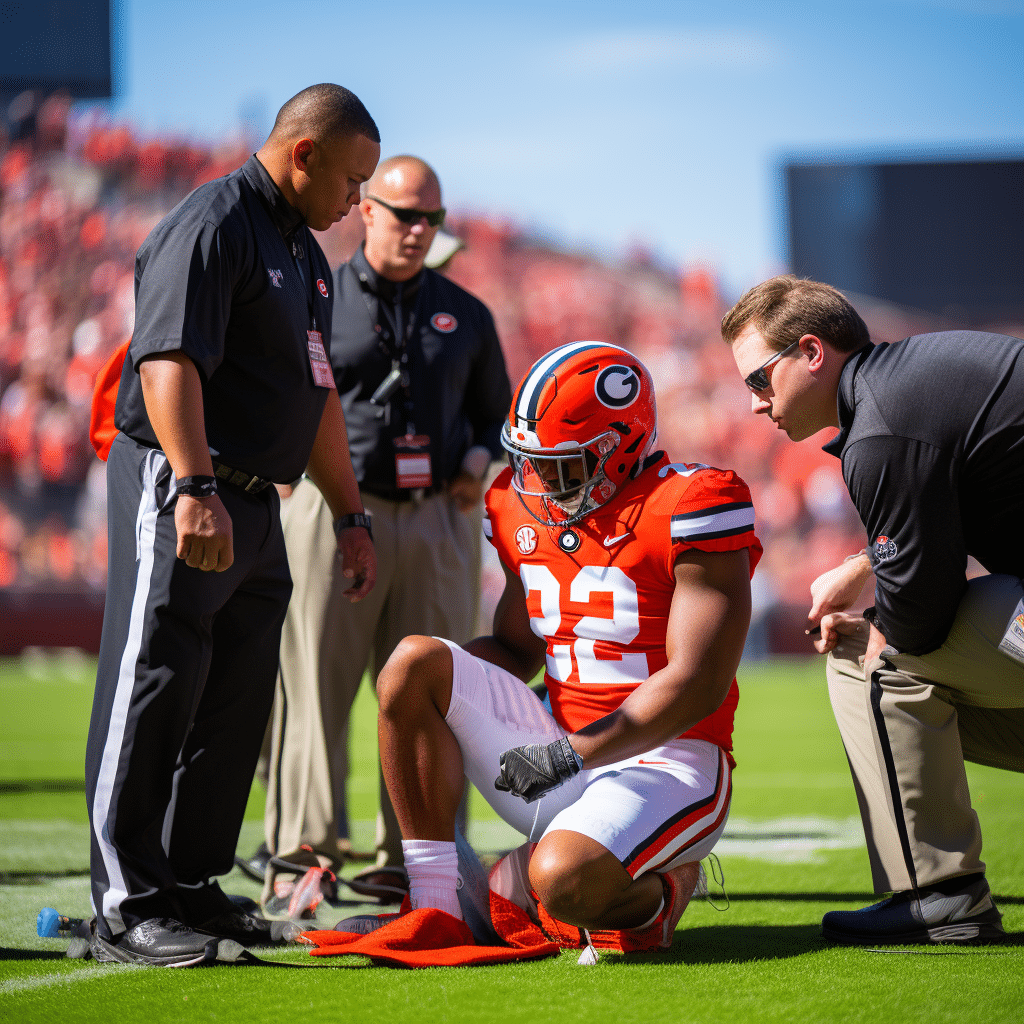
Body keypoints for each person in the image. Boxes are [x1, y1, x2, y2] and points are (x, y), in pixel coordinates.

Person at [84, 84, 381, 967]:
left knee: (233, 695)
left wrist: (351, 513)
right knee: (155, 675)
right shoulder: (212, 223)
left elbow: (316, 395)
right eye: (351, 179)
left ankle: (189, 880)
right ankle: (124, 902)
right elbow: (167, 358)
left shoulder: (308, 257)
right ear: (303, 155)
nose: (355, 200)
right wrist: (193, 485)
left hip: (259, 502)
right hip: (189, 485)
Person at [374, 341, 759, 947]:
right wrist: (430, 690)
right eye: (533, 460)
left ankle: (659, 888)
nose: (542, 480)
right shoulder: (515, 502)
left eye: (564, 463)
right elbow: (515, 646)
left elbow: (698, 683)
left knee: (564, 880)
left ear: (618, 446)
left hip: (666, 756)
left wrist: (570, 755)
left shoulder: (692, 501)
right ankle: (435, 903)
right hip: (555, 745)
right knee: (410, 663)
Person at [723, 274, 1024, 946]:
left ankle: (940, 899)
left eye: (758, 381)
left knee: (869, 664)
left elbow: (918, 620)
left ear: (810, 352)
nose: (753, 405)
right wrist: (867, 566)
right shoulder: (910, 382)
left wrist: (873, 619)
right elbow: (959, 509)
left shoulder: (882, 428)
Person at [257, 155, 512, 911]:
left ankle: (424, 862)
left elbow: (500, 413)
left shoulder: (466, 312)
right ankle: (302, 858)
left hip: (438, 516)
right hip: (335, 508)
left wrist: (475, 458)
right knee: (312, 686)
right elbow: (282, 394)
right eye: (404, 214)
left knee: (438, 693)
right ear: (367, 211)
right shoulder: (313, 294)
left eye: (431, 219)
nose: (418, 230)